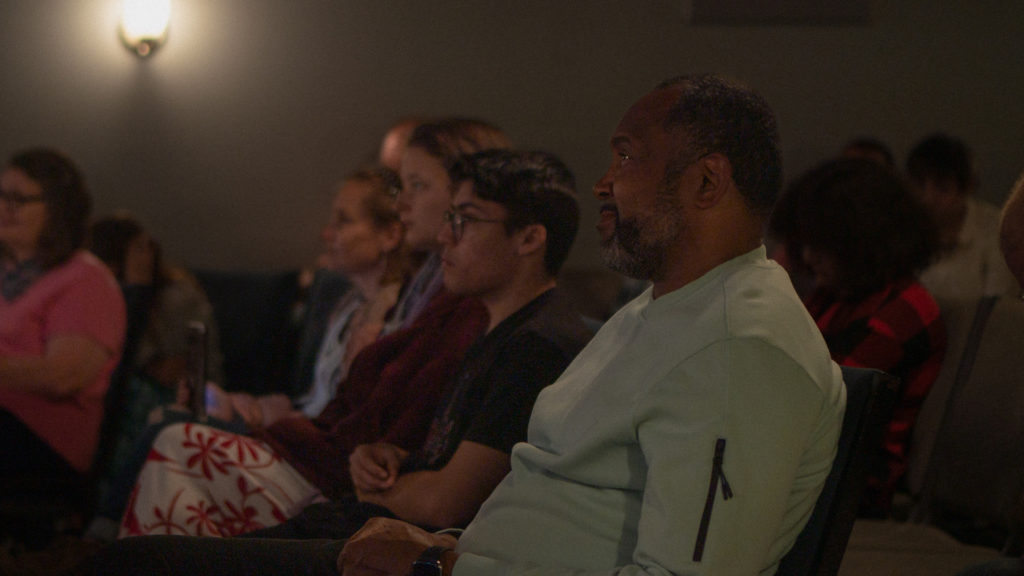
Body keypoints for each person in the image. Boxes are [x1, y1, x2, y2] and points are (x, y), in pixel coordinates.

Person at [91, 74, 845, 576]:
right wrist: (441, 548)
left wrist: (432, 564)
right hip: (450, 558)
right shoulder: (659, 309)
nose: (603, 181)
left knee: (133, 564)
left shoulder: (741, 347)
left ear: (707, 180)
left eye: (626, 157)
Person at [82, 147, 593, 575]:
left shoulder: (535, 345)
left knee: (136, 559)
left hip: (384, 541)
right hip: (358, 516)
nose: (444, 235)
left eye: (466, 220)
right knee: (140, 550)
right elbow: (436, 457)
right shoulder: (490, 327)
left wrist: (379, 485)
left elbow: (446, 503)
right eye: (450, 218)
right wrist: (387, 456)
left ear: (529, 238)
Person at [114, 119, 508, 538]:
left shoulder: (457, 301)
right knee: (174, 432)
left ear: (464, 195)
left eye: (416, 186)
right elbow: (346, 409)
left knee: (179, 443)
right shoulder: (416, 291)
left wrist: (290, 426)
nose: (403, 202)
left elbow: (395, 427)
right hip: (335, 458)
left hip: (354, 485)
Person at [769, 157, 946, 517]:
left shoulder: (903, 311)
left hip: (850, 488)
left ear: (859, 238)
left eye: (821, 243)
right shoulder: (840, 294)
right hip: (813, 469)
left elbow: (819, 408)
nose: (808, 256)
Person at [0, 148, 126, 503]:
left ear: (57, 209)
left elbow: (63, 376)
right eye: (2, 195)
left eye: (20, 199)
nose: (6, 207)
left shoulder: (86, 279)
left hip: (43, 442)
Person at [906, 133, 1018, 302]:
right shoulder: (903, 229)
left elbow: (997, 308)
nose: (928, 198)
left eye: (943, 188)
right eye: (920, 186)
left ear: (967, 188)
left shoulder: (995, 231)